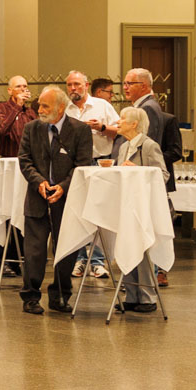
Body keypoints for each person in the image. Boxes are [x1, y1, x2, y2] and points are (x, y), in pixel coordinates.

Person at [17, 86, 91, 315]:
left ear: (61, 108)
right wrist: (38, 181)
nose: (39, 109)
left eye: (45, 106)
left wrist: (63, 186)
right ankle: (30, 296)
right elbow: (24, 160)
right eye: (39, 104)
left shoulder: (80, 130)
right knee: (34, 251)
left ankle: (60, 295)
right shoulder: (32, 128)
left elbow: (84, 165)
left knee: (66, 250)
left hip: (67, 199)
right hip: (37, 197)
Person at [121, 68, 177, 283]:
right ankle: (133, 287)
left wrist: (137, 170)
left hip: (143, 197)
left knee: (144, 242)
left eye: (129, 83)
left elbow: (158, 171)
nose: (125, 87)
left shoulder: (149, 112)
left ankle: (144, 287)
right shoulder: (126, 146)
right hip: (131, 198)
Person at [64, 70, 120, 279]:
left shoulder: (102, 105)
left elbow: (119, 130)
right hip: (75, 164)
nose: (73, 89)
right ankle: (79, 259)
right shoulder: (65, 108)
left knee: (98, 213)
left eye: (77, 84)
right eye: (69, 85)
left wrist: (102, 127)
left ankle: (96, 261)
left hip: (100, 162)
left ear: (86, 85)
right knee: (78, 212)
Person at [112, 106, 166, 313]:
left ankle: (147, 297)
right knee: (127, 245)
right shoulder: (124, 146)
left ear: (134, 124)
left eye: (122, 119)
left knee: (143, 250)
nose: (118, 122)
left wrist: (139, 170)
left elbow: (162, 175)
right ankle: (131, 295)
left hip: (144, 206)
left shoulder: (149, 146)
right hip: (127, 204)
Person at [0, 76, 36, 159]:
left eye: (25, 86)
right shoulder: (1, 108)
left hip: (28, 158)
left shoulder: (30, 112)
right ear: (10, 91)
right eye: (18, 86)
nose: (22, 89)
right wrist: (17, 106)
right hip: (9, 158)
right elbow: (1, 130)